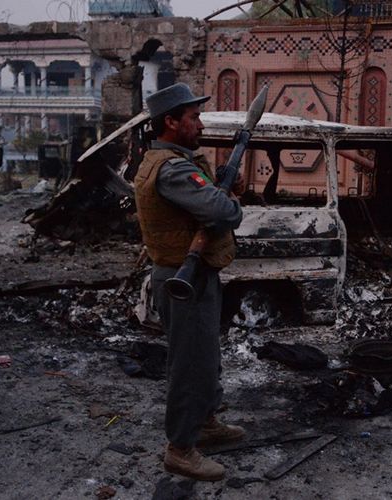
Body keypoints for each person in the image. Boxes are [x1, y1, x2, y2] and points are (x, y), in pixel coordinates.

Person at [134, 83, 245, 482]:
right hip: (185, 277)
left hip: (194, 272)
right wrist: (230, 201)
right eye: (193, 117)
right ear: (170, 122)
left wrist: (224, 192)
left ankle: (206, 423)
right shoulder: (174, 168)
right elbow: (221, 212)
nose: (199, 123)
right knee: (189, 364)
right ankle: (180, 448)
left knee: (205, 355)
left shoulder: (169, 160)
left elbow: (206, 205)